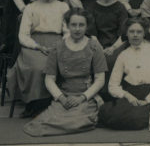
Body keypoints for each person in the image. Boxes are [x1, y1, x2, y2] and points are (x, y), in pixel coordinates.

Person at [23, 8, 107, 136]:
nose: (77, 29)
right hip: (65, 96)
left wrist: (82, 98)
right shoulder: (58, 47)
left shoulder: (94, 46)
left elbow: (100, 79)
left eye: (81, 25)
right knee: (43, 122)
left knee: (79, 120)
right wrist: (61, 98)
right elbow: (49, 79)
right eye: (73, 25)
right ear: (67, 26)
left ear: (87, 26)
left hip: (86, 96)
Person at [8, 0, 70, 118]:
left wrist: (59, 44)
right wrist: (38, 47)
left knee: (59, 64)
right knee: (38, 67)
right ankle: (35, 105)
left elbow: (67, 31)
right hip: (34, 45)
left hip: (58, 43)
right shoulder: (30, 8)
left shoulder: (63, 6)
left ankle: (54, 104)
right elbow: (23, 35)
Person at [98, 17, 150, 130]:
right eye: (131, 31)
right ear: (127, 33)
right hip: (131, 94)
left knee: (136, 119)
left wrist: (149, 99)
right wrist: (128, 96)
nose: (135, 35)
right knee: (111, 114)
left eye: (139, 32)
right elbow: (113, 85)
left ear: (144, 33)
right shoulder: (123, 55)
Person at [86, 0, 129, 74]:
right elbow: (91, 32)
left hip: (117, 45)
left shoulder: (120, 7)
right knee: (95, 59)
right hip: (96, 44)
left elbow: (123, 32)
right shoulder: (91, 7)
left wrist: (113, 48)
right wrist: (99, 47)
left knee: (113, 60)